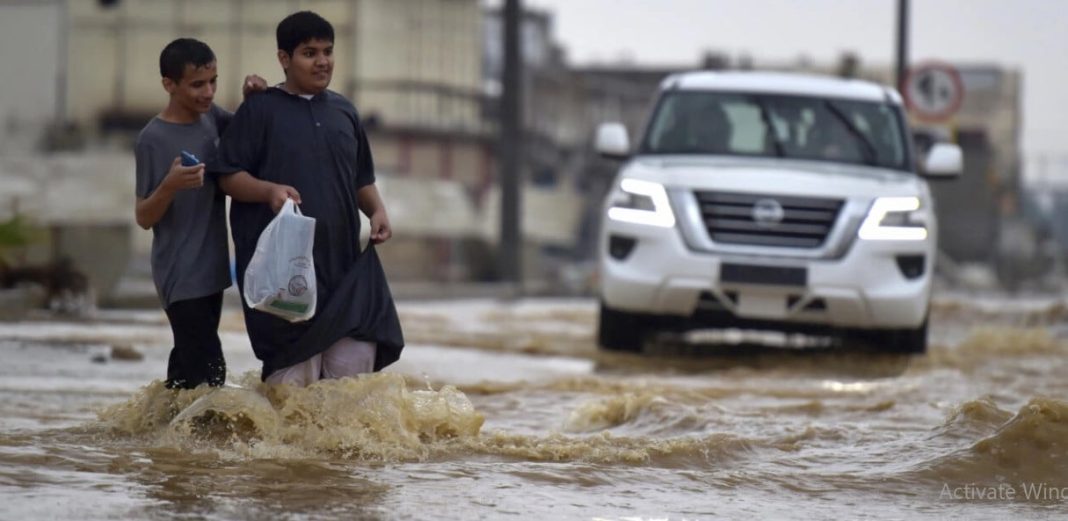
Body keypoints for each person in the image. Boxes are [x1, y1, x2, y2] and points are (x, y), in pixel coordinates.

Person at [216, 11, 404, 387]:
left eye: (328, 51)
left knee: (350, 395)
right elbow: (227, 176)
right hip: (284, 275)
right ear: (284, 59)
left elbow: (360, 178)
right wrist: (268, 191)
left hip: (344, 273)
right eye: (309, 52)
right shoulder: (259, 109)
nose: (322, 61)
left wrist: (377, 210)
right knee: (290, 396)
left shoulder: (344, 111)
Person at [134, 38, 266, 389]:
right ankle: (198, 439)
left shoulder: (212, 119)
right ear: (169, 84)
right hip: (179, 274)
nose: (208, 93)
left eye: (213, 82)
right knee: (209, 372)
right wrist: (170, 185)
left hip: (212, 271)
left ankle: (159, 437)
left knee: (186, 371)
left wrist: (253, 100)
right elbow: (144, 217)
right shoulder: (153, 138)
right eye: (197, 85)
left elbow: (247, 134)